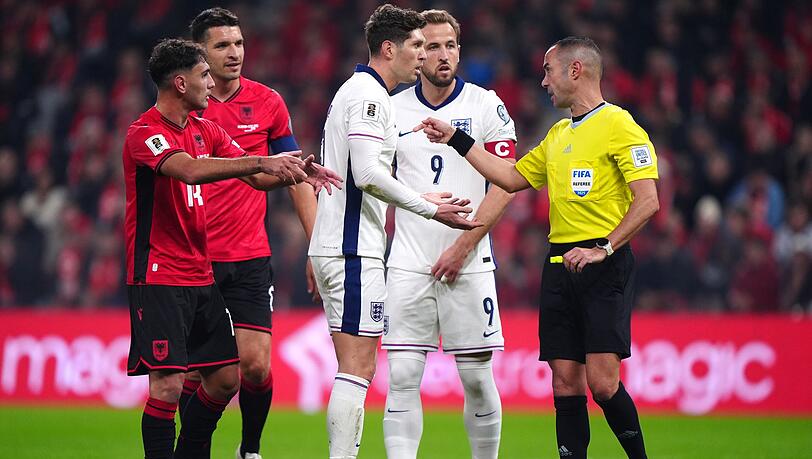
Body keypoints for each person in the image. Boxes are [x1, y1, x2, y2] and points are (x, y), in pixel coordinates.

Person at [416, 36, 659, 459]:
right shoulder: (559, 133)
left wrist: (603, 247)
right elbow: (510, 178)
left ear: (575, 70)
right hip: (559, 265)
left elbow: (648, 200)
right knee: (564, 383)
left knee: (603, 384)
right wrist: (457, 138)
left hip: (604, 265)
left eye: (548, 71)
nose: (543, 81)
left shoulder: (620, 125)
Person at [124, 38, 338, 459]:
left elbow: (258, 178)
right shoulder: (144, 133)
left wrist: (297, 171)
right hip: (159, 275)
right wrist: (261, 160)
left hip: (199, 273)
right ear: (181, 83)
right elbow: (188, 170)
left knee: (226, 379)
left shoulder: (206, 130)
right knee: (167, 386)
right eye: (204, 75)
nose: (212, 83)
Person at [307, 4, 482, 458]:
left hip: (340, 246)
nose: (423, 55)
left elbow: (364, 173)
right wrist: (429, 208)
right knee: (358, 369)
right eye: (417, 45)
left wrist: (422, 196)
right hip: (352, 250)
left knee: (355, 367)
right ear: (389, 48)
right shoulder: (370, 97)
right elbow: (367, 174)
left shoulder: (357, 91)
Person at [182, 8, 324, 459]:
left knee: (257, 367)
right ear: (200, 52)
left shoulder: (268, 103)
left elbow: (297, 176)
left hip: (248, 256)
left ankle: (250, 450)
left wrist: (317, 248)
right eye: (222, 45)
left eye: (239, 43)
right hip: (194, 257)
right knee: (195, 374)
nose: (235, 53)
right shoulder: (183, 107)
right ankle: (194, 450)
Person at [381, 9, 516, 459]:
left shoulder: (486, 105)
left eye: (450, 45)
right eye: (432, 46)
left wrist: (463, 246)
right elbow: (373, 181)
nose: (443, 55)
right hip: (408, 262)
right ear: (417, 53)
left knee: (476, 378)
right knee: (402, 376)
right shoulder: (392, 109)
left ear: (460, 50)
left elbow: (506, 182)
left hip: (470, 261)